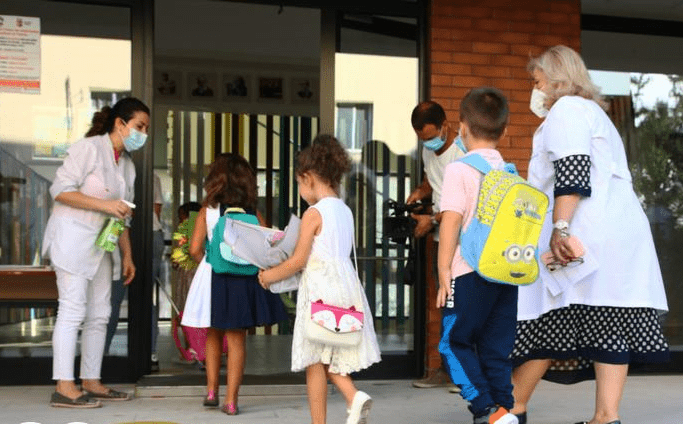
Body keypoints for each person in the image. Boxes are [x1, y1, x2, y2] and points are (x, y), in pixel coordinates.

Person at [510, 45, 670, 424]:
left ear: (555, 79)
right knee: (607, 321)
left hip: (584, 233)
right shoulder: (595, 114)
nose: (535, 90)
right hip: (617, 233)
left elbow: (573, 170)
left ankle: (510, 407)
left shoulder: (567, 109)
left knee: (546, 317)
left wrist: (560, 228)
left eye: (537, 81)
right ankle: (605, 417)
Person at [258, 135, 381, 424]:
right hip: (345, 288)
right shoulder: (344, 210)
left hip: (320, 291)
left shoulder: (314, 213)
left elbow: (298, 260)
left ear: (309, 177)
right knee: (328, 356)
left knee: (315, 358)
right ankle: (350, 398)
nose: (301, 191)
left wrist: (269, 276)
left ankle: (350, 398)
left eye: (299, 184)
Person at [42, 97, 150, 408]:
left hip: (103, 246)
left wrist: (127, 255)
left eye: (146, 129)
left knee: (100, 314)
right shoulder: (87, 148)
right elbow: (59, 190)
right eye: (139, 126)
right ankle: (64, 386)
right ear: (120, 124)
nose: (143, 134)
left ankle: (91, 380)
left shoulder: (126, 165)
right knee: (72, 310)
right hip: (72, 241)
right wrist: (105, 205)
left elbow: (122, 213)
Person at [437, 88, 518, 424]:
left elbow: (451, 221)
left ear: (463, 127)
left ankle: (487, 409)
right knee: (495, 350)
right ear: (505, 131)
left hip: (468, 272)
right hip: (505, 275)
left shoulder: (459, 170)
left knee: (452, 344)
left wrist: (443, 270)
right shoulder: (511, 173)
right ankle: (505, 411)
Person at [183, 153, 288, 415]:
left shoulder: (208, 211)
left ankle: (211, 391)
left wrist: (209, 260)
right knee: (237, 340)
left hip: (214, 278)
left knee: (213, 334)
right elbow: (266, 246)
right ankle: (231, 401)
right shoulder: (253, 213)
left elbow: (194, 249)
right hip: (243, 280)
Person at [408, 101, 466, 390]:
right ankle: (446, 370)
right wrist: (418, 194)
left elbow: (464, 205)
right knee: (446, 304)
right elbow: (432, 181)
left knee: (463, 306)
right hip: (442, 241)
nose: (428, 143)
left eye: (431, 136)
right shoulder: (428, 151)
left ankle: (463, 374)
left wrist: (430, 219)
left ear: (445, 125)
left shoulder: (463, 153)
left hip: (463, 243)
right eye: (422, 139)